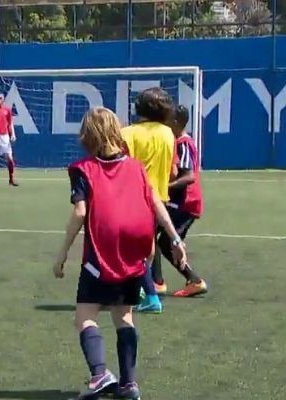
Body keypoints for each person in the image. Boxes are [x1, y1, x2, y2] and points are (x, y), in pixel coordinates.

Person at [53, 107, 187, 400]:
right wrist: (175, 239)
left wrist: (62, 253)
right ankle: (128, 384)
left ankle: (100, 374)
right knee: (124, 316)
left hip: (103, 251)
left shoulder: (83, 169)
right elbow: (154, 202)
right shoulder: (136, 167)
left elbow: (80, 211)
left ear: (87, 134)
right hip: (135, 251)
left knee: (85, 316)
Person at [121, 87, 175, 313]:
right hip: (157, 202)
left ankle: (149, 295)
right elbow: (172, 172)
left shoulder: (127, 133)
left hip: (130, 199)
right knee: (146, 249)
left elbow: (120, 168)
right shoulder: (168, 133)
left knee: (128, 250)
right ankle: (142, 289)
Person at [153, 105, 208, 297]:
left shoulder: (183, 143)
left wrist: (164, 187)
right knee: (158, 238)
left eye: (167, 121)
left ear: (175, 123)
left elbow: (189, 177)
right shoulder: (178, 142)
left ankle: (166, 282)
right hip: (179, 203)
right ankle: (162, 281)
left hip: (185, 204)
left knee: (163, 241)